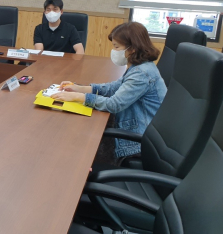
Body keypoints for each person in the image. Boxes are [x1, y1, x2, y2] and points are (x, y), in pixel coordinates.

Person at [51, 22, 166, 161]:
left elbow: (114, 104)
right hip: (135, 127)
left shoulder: (142, 74)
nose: (113, 51)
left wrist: (78, 97)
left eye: (116, 47)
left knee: (82, 143)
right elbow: (113, 87)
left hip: (137, 142)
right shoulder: (138, 66)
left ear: (132, 49)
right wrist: (79, 88)